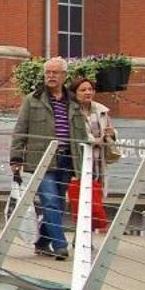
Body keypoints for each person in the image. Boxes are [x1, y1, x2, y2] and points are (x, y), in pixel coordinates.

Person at [10, 57, 86, 261]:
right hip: (41, 160)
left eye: (55, 73)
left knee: (59, 204)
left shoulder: (73, 102)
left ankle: (43, 242)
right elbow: (20, 130)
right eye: (48, 73)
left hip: (66, 160)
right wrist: (16, 158)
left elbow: (81, 135)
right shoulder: (32, 99)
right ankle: (60, 245)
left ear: (64, 76)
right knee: (50, 201)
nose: (51, 76)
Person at [69, 77, 116, 234]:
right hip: (78, 163)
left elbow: (110, 131)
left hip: (97, 163)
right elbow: (76, 135)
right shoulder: (71, 111)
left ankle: (85, 238)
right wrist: (94, 140)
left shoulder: (101, 110)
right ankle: (80, 237)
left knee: (95, 203)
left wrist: (111, 134)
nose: (88, 92)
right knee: (81, 202)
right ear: (75, 93)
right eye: (83, 90)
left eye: (90, 89)